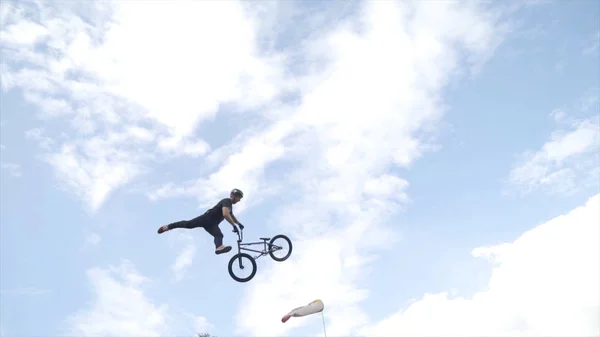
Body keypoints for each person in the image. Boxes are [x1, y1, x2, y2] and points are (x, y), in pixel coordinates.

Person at [157, 189, 245, 255]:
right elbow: (226, 214)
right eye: (239, 198)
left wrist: (238, 223)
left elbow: (231, 215)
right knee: (189, 224)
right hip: (206, 218)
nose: (239, 200)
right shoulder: (226, 201)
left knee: (219, 235)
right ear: (233, 196)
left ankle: (219, 248)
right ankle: (168, 226)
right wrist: (233, 225)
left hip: (212, 225)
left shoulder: (230, 206)